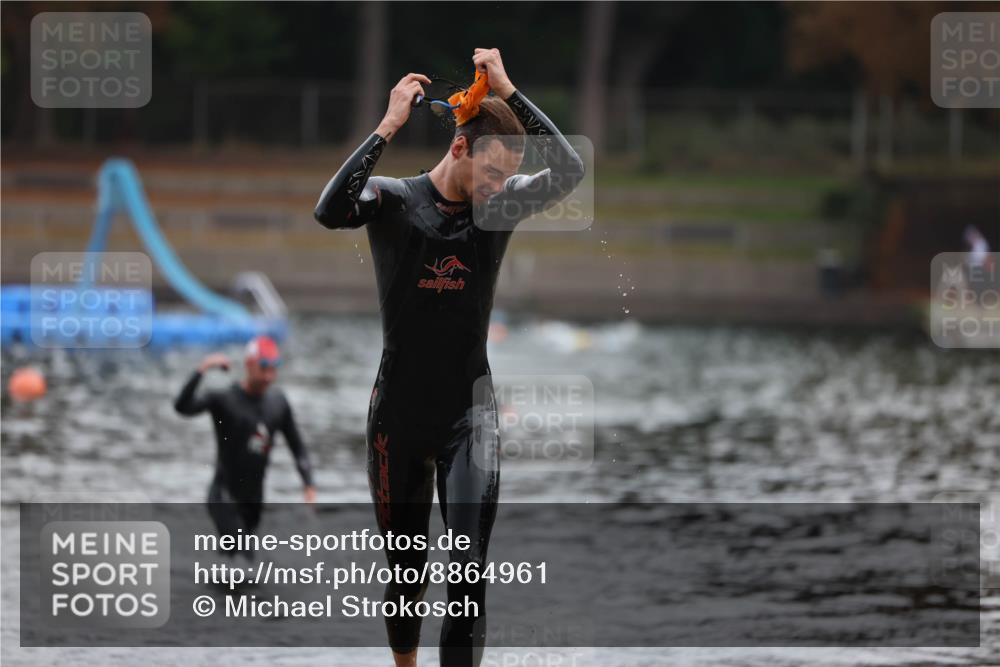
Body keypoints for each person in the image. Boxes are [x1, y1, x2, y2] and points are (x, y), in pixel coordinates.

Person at [314, 48, 584, 667]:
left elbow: (570, 172)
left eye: (506, 178)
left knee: (467, 576)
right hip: (398, 421)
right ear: (460, 150)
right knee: (408, 578)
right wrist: (386, 128)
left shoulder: (502, 207)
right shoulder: (394, 201)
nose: (498, 189)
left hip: (471, 415)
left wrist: (511, 92)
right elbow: (329, 211)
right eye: (490, 174)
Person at [174, 335, 316, 560]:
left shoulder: (278, 403)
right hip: (223, 494)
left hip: (254, 499)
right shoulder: (224, 398)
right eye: (264, 368)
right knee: (245, 558)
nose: (270, 376)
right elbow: (182, 407)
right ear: (249, 364)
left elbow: (297, 446)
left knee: (235, 564)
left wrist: (308, 483)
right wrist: (202, 369)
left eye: (274, 369)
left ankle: (212, 585)